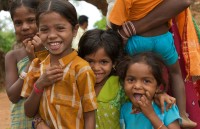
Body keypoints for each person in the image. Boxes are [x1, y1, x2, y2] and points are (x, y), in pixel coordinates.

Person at [108, 0, 197, 128]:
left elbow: (115, 22)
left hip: (138, 41)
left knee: (130, 71)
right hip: (163, 39)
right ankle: (183, 115)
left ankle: (136, 103)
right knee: (175, 73)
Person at [21, 0, 97, 129]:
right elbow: (28, 112)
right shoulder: (36, 64)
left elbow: (90, 114)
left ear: (74, 30)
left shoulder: (81, 69)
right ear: (38, 32)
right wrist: (39, 85)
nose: (51, 35)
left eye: (60, 28)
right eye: (44, 29)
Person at [78, 29, 176, 129]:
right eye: (90, 61)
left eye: (103, 62)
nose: (96, 68)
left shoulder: (120, 85)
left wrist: (158, 94)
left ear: (114, 63)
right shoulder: (78, 83)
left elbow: (141, 91)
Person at [4, 0, 45, 128]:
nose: (25, 27)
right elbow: (13, 96)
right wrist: (31, 62)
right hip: (21, 123)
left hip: (47, 121)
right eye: (18, 23)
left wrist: (41, 54)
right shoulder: (12, 56)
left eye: (31, 20)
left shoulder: (54, 52)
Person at [117, 52, 181, 129]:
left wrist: (151, 114)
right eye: (131, 80)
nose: (137, 86)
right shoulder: (125, 109)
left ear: (157, 86)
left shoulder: (167, 107)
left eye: (146, 81)